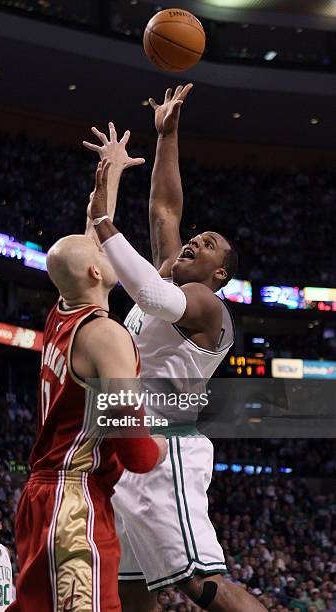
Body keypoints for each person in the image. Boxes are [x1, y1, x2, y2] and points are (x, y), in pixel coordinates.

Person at [84, 85, 266, 612]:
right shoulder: (173, 273)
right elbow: (165, 207)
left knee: (203, 585)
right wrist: (168, 134)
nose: (195, 241)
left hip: (168, 449)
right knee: (127, 585)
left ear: (220, 273)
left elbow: (147, 292)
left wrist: (102, 221)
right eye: (198, 237)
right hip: (128, 441)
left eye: (208, 245)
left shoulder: (206, 305)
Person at [7, 161, 167, 612]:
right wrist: (162, 440)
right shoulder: (107, 337)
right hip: (74, 501)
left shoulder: (62, 312)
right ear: (97, 274)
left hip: (42, 495)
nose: (109, 252)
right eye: (103, 255)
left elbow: (88, 241)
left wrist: (109, 175)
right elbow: (136, 453)